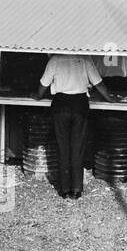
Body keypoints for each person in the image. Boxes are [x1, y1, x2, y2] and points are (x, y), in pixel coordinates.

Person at [38, 54, 115, 198]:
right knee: (78, 147)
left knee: (62, 147)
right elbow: (98, 84)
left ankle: (65, 190)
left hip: (60, 104)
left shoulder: (55, 60)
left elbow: (43, 85)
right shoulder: (85, 59)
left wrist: (37, 95)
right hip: (80, 104)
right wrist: (110, 99)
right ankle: (77, 189)